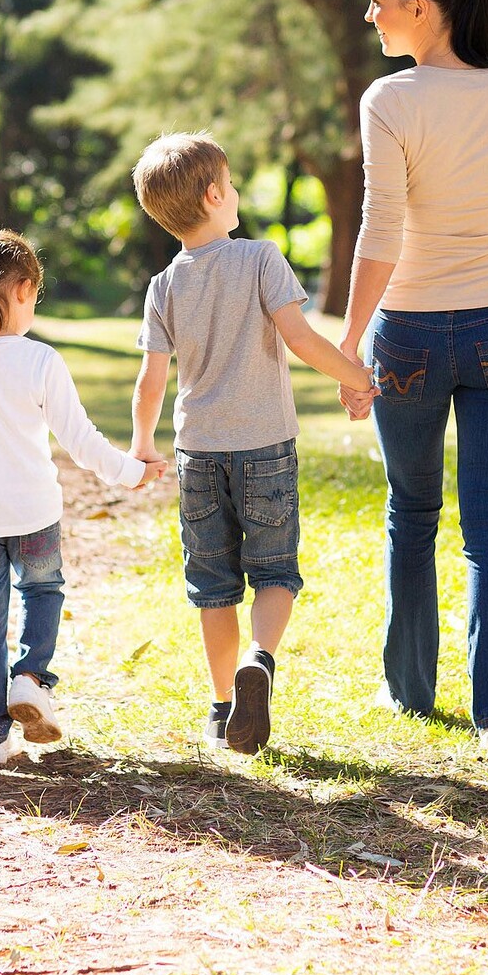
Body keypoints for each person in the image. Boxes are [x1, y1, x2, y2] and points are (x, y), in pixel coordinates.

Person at [337, 0, 488, 765]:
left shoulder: (391, 100)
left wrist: (349, 341)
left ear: (422, 7)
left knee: (412, 512)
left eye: (378, 1)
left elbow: (382, 229)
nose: (370, 15)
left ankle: (409, 690)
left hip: (413, 334)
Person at [129, 132, 375, 754]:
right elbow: (301, 338)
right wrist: (356, 377)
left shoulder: (163, 286)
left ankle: (221, 710)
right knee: (275, 570)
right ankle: (259, 660)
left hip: (198, 454)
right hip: (265, 447)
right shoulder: (262, 258)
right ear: (215, 196)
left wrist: (142, 444)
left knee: (213, 585)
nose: (236, 192)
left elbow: (151, 379)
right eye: (233, 183)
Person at [0, 229, 166, 764]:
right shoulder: (40, 360)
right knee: (43, 590)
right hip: (33, 513)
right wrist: (130, 474)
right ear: (23, 290)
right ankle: (29, 678)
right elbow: (81, 441)